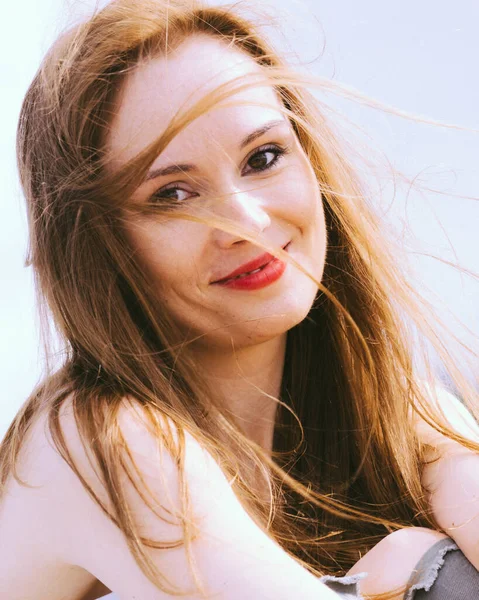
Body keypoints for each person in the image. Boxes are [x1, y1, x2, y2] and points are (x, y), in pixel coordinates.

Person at [0, 0, 478, 599]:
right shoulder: (99, 444)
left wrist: (429, 540)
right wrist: (417, 575)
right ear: (94, 245)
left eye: (264, 157)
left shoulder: (391, 407)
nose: (247, 221)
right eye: (173, 194)